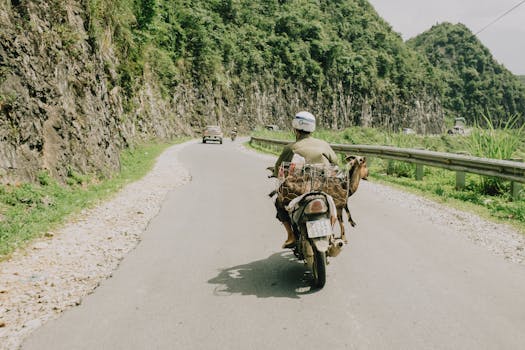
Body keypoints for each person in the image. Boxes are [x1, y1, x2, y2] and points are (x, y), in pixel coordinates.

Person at [273, 111, 338, 248]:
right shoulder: (324, 145)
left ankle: (290, 235)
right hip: (323, 186)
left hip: (299, 189)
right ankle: (331, 234)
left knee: (279, 202)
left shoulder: (291, 148)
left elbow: (278, 167)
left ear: (295, 128)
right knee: (335, 202)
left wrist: (275, 173)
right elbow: (335, 162)